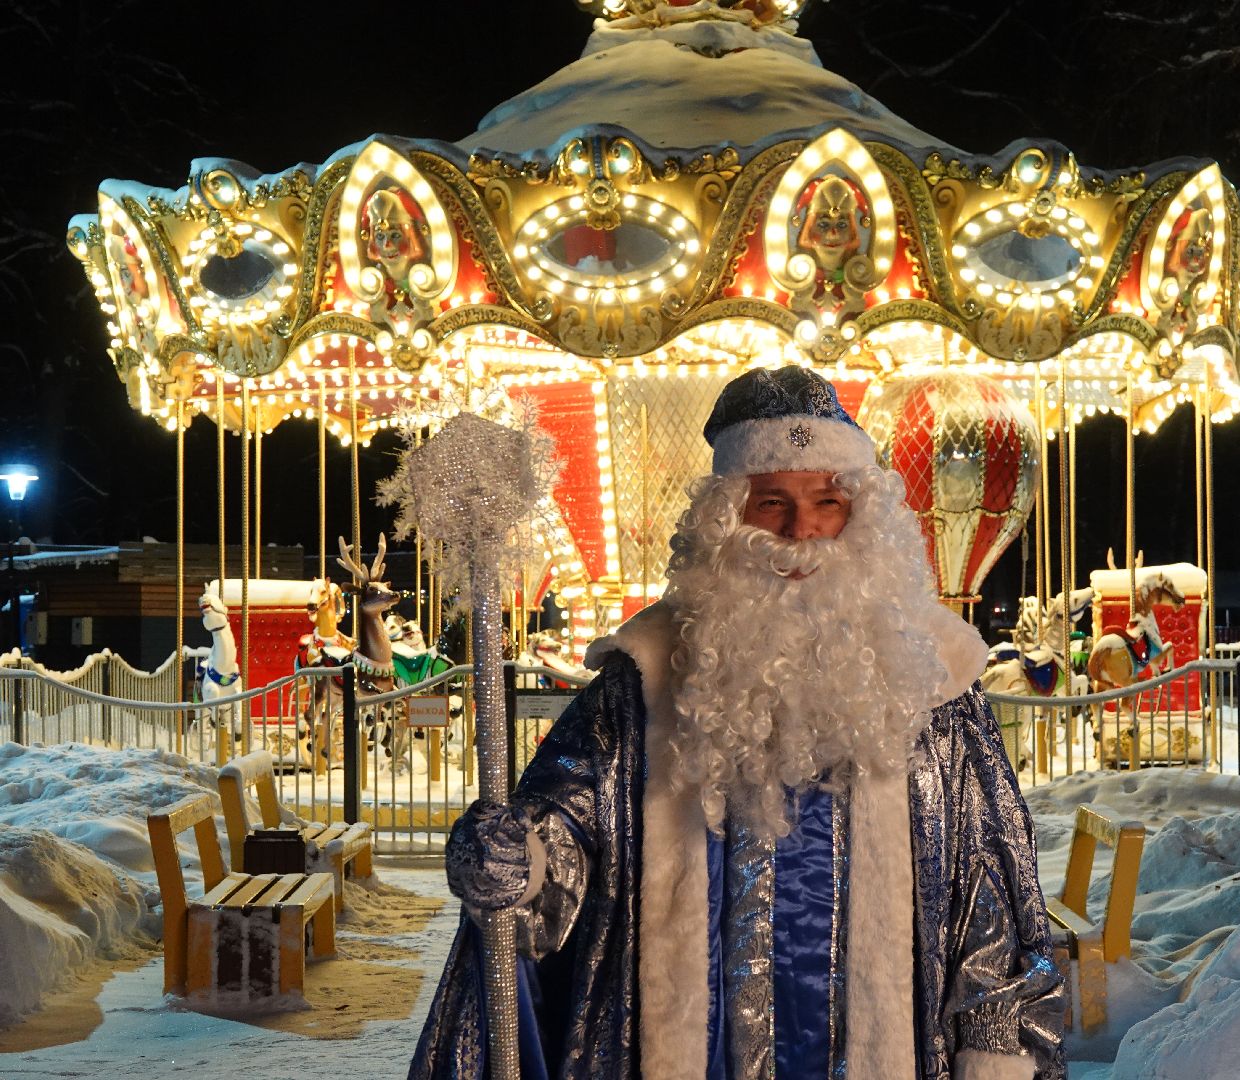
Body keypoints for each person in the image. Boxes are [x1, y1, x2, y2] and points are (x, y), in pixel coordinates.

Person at [411, 366, 1062, 1080]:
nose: (800, 531)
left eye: (827, 500)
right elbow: (571, 827)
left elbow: (990, 884)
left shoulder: (936, 678)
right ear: (726, 517)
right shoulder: (648, 676)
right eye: (771, 501)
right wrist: (522, 862)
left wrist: (995, 1041)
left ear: (863, 515)